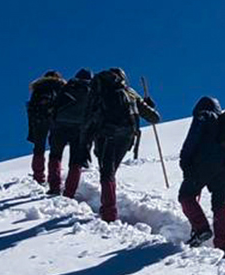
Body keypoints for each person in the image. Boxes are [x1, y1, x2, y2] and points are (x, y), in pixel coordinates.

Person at [85, 68, 160, 223]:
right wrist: (149, 105)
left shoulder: (99, 92)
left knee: (107, 173)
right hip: (126, 135)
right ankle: (108, 209)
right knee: (110, 172)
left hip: (105, 134)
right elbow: (154, 117)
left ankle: (108, 212)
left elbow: (89, 115)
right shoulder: (130, 92)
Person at [177, 96, 225, 255]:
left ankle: (201, 228)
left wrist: (185, 161)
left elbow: (192, 140)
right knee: (220, 204)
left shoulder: (204, 117)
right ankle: (223, 245)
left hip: (206, 164)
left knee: (186, 196)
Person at [47, 69, 96, 197]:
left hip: (60, 125)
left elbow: (56, 105)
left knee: (55, 156)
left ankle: (54, 187)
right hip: (80, 129)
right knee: (76, 161)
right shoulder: (93, 92)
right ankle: (69, 192)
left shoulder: (68, 87)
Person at [26, 70, 65, 185]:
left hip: (39, 119)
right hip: (56, 120)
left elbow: (31, 108)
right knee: (55, 151)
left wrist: (31, 129)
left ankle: (38, 176)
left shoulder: (38, 88)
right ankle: (54, 177)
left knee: (39, 148)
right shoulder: (61, 86)